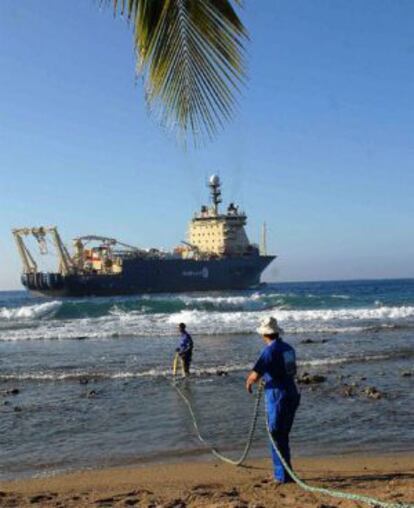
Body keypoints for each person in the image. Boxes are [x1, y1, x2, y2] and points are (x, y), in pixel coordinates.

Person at [246, 317, 300, 483]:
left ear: (265, 335)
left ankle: (281, 475)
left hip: (278, 395)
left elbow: (255, 374)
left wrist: (249, 383)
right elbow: (292, 370)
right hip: (291, 391)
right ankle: (286, 472)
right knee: (283, 434)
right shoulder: (288, 348)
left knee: (275, 434)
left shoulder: (269, 351)